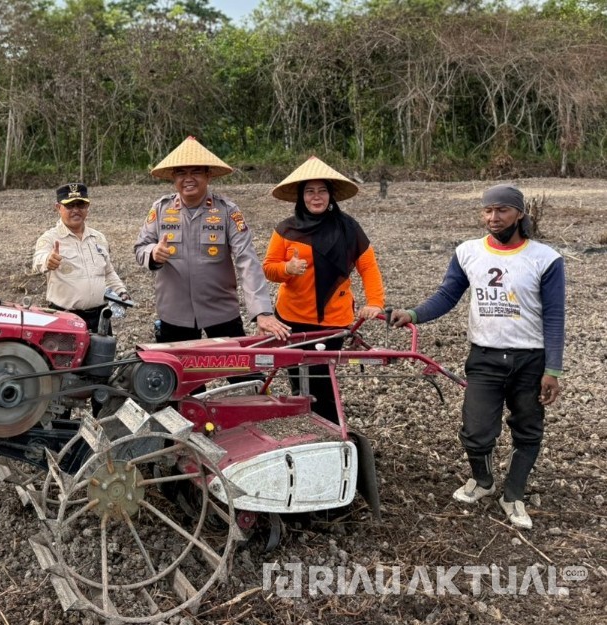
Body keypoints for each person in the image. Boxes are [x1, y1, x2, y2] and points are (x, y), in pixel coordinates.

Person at [390, 184, 565, 530]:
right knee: (475, 431)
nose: (492, 217)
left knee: (528, 430)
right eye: (487, 211)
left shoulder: (546, 259)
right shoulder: (468, 252)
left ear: (520, 213)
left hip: (530, 359)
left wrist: (553, 369)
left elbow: (555, 316)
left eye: (501, 210)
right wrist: (413, 314)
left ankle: (513, 494)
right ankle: (483, 481)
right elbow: (447, 295)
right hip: (484, 356)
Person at [134, 136, 290, 357]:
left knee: (242, 372)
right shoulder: (160, 209)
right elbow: (141, 247)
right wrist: (153, 254)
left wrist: (262, 312)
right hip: (174, 313)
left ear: (208, 175)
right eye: (181, 173)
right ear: (173, 178)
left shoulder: (227, 211)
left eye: (196, 172)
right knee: (182, 381)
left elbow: (247, 260)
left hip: (221, 312)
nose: (188, 179)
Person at [262, 156, 385, 422]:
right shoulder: (285, 229)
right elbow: (269, 268)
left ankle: (329, 428)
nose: (316, 197)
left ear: (331, 195)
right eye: (309, 191)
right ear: (300, 196)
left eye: (322, 191)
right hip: (290, 319)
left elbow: (368, 267)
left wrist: (375, 301)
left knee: (321, 380)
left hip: (332, 321)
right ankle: (305, 424)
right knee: (297, 378)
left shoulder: (349, 228)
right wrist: (287, 269)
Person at [33, 183, 130, 414]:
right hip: (65, 319)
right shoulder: (49, 238)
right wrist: (49, 261)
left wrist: (122, 291)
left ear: (87, 207)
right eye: (70, 206)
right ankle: (60, 426)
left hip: (99, 318)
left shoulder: (98, 238)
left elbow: (108, 272)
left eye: (81, 205)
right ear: (58, 207)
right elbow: (38, 260)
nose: (76, 210)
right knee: (63, 375)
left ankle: (102, 423)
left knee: (101, 372)